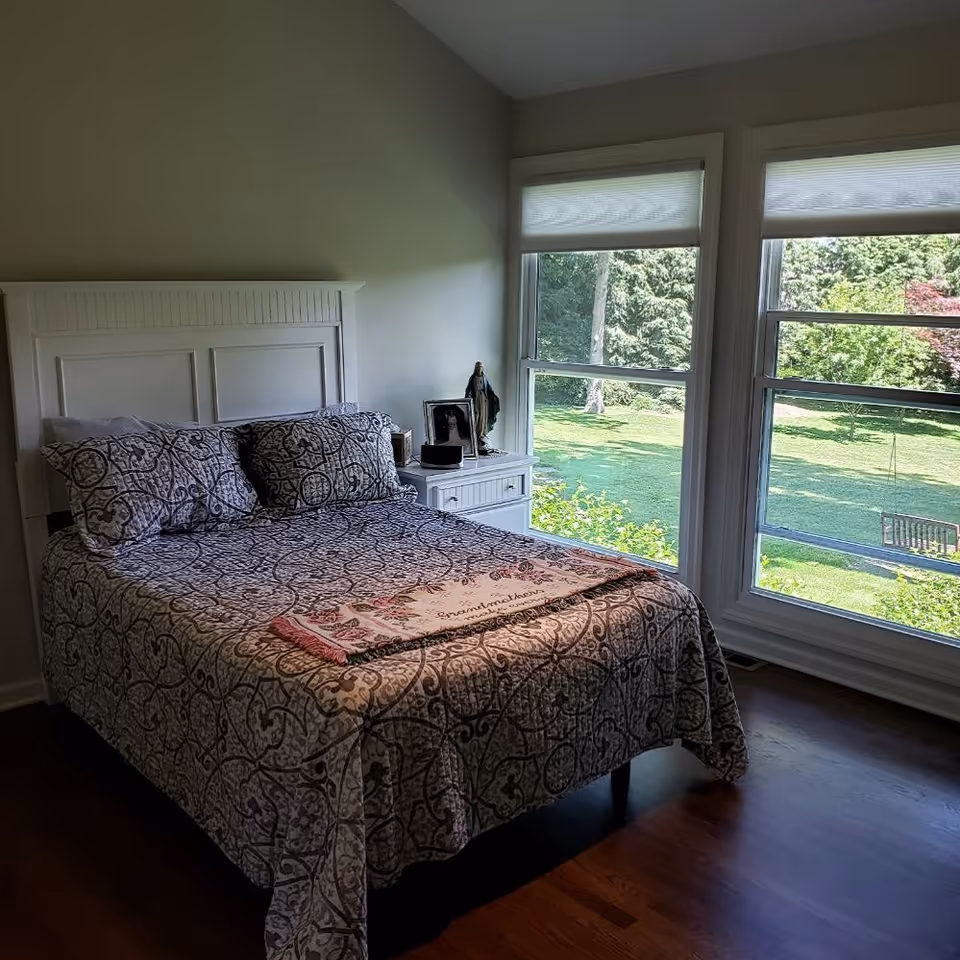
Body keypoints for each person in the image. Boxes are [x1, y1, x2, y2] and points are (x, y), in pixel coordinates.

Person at [465, 361, 500, 455]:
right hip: (476, 399)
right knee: (477, 415)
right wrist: (467, 399)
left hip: (484, 399)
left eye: (481, 367)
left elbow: (488, 388)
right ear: (476, 368)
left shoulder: (484, 377)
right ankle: (476, 433)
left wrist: (493, 395)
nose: (479, 369)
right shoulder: (473, 378)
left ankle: (482, 432)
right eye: (478, 367)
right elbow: (469, 389)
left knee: (484, 416)